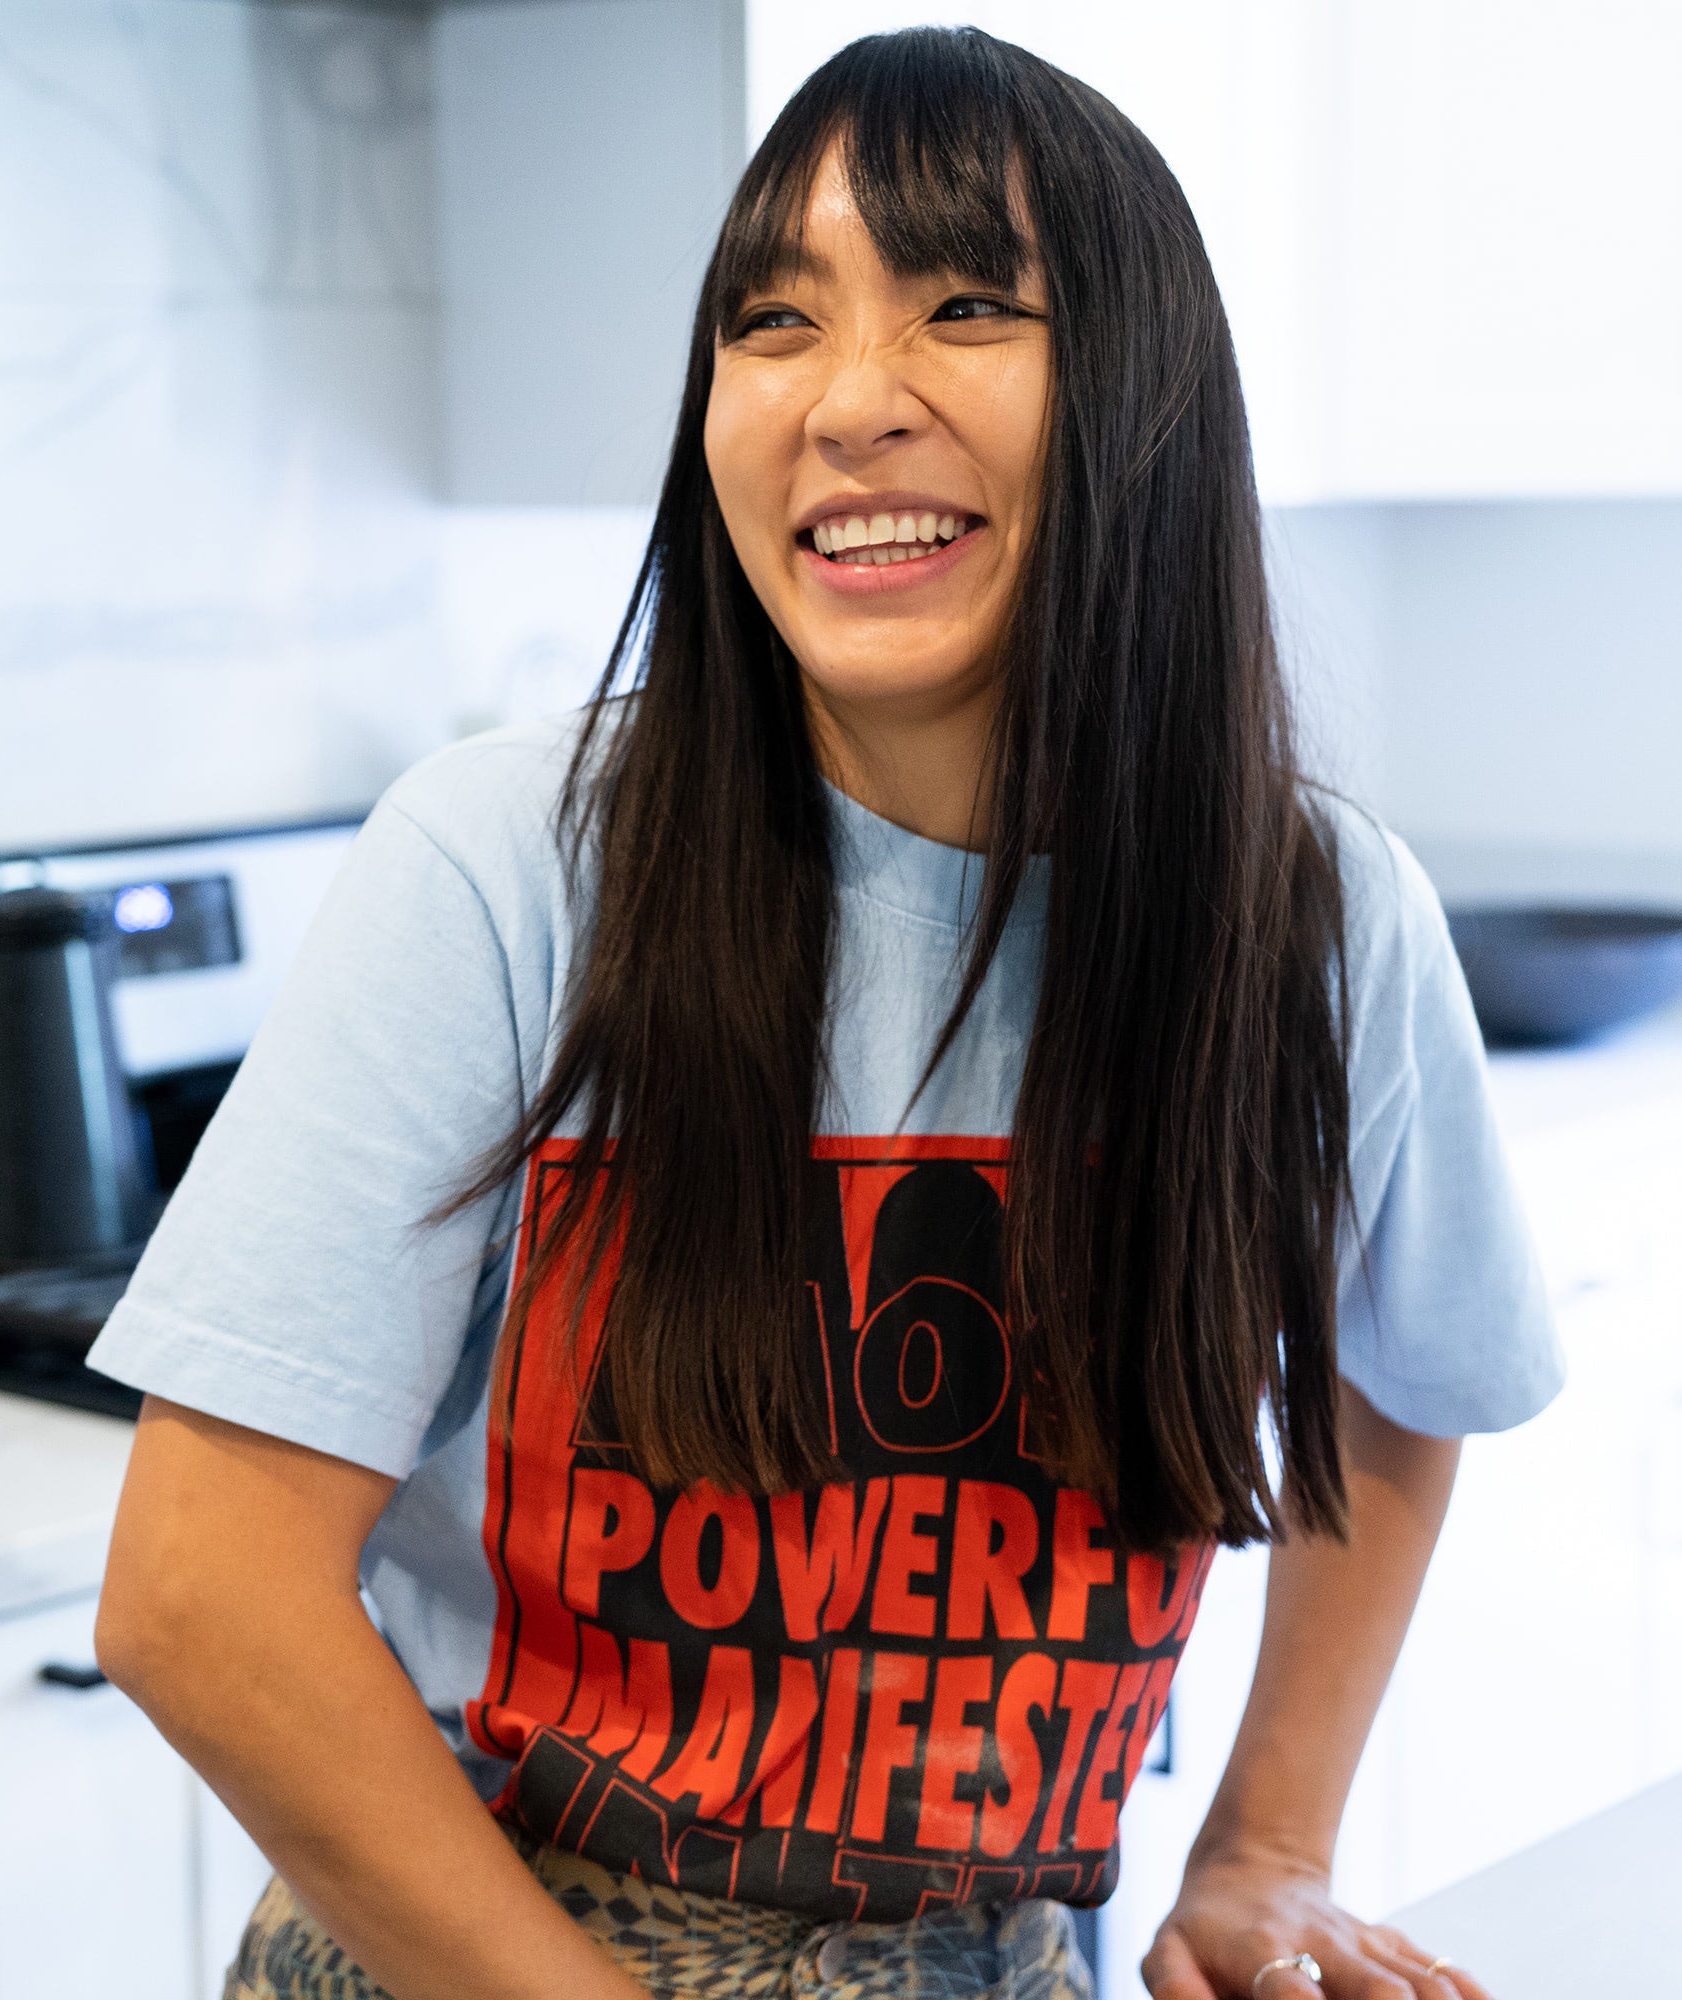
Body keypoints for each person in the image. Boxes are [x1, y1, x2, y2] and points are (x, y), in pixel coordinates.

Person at [90, 27, 1556, 2000]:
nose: (852, 400)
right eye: (772, 322)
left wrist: (1271, 1843)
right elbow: (200, 1597)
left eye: (968, 306)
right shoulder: (508, 864)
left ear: (1143, 393)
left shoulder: (1317, 922)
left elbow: (1410, 1375)